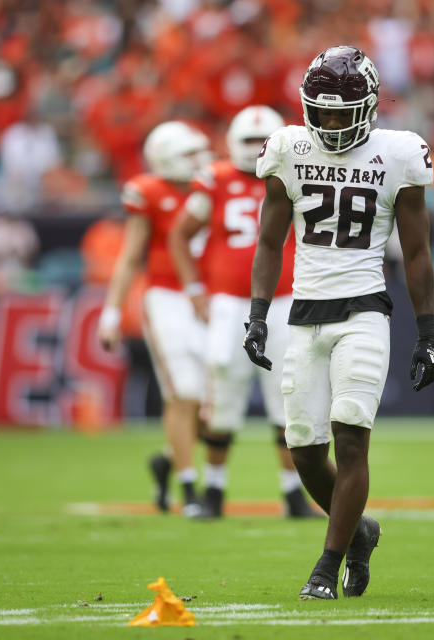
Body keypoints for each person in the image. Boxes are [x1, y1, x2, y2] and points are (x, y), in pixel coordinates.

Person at [244, 46, 434, 599]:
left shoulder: (398, 153)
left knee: (351, 440)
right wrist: (258, 314)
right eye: (322, 111)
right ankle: (359, 533)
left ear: (370, 105)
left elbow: (418, 252)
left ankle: (326, 567)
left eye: (341, 111)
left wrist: (428, 334)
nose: (330, 122)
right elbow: (268, 239)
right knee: (303, 448)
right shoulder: (287, 148)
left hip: (363, 312)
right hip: (303, 314)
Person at [168, 105, 318, 519]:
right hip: (229, 302)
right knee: (224, 398)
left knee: (288, 399)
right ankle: (213, 491)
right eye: (248, 141)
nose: (255, 149)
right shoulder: (214, 180)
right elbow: (180, 235)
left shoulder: (294, 174)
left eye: (261, 140)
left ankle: (292, 493)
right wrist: (195, 289)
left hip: (286, 298)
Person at [97, 121, 212, 516]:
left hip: (211, 300)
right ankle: (188, 488)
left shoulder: (213, 185)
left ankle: (167, 459)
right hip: (167, 299)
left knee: (211, 407)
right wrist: (111, 313)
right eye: (189, 154)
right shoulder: (149, 192)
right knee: (182, 392)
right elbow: (130, 257)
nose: (200, 160)